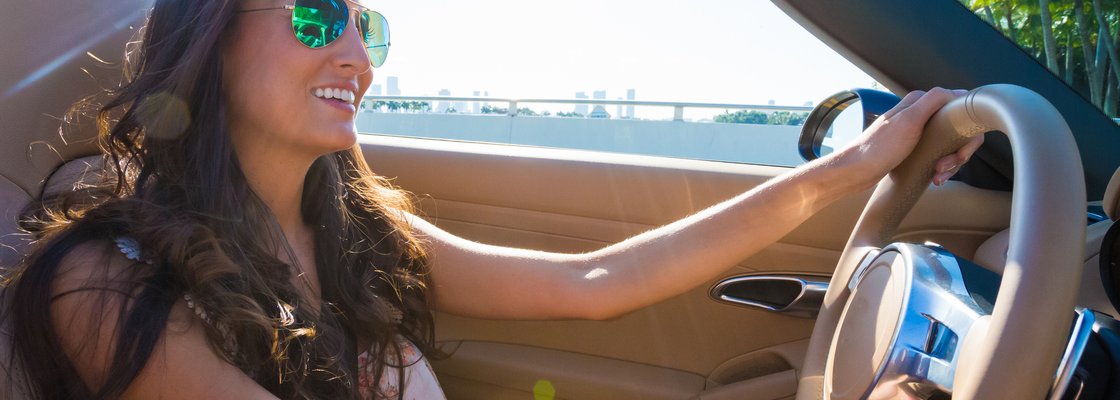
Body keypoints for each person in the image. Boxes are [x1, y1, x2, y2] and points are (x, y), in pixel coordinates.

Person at [2, 0, 982, 399]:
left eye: (367, 28)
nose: (353, 54)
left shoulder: (355, 236)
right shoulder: (101, 286)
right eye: (312, 16)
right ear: (208, 35)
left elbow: (599, 278)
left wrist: (856, 167)